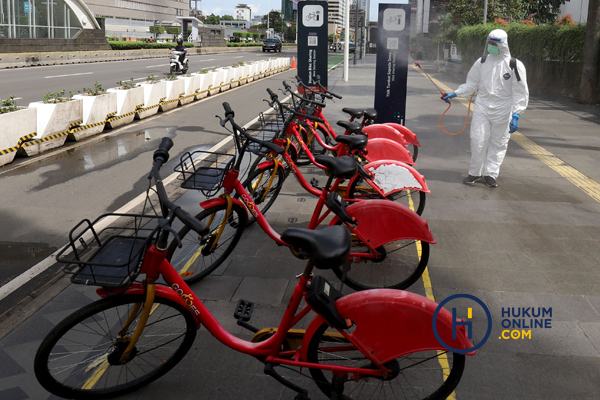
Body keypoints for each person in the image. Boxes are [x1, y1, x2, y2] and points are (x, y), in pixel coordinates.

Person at [442, 29, 529, 188]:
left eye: (494, 43)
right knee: (478, 139)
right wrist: (454, 93)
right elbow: (471, 84)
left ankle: (490, 174)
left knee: (498, 142)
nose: (491, 46)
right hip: (482, 106)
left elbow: (520, 92)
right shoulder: (482, 62)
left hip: (503, 109)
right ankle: (475, 172)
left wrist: (516, 115)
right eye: (489, 43)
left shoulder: (514, 65)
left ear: (503, 44)